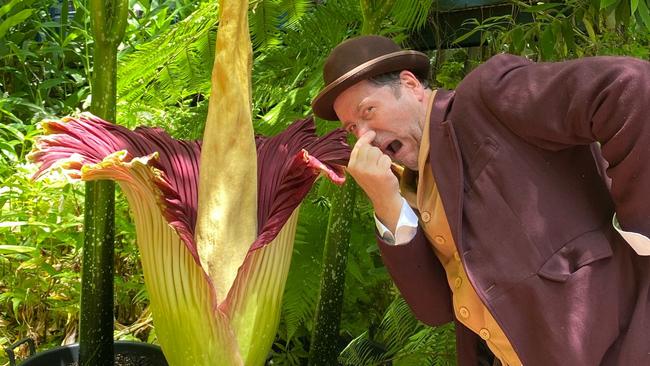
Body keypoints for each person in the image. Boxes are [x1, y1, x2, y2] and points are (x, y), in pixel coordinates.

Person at [311, 35, 650, 366]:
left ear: (411, 84)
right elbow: (435, 309)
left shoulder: (484, 98)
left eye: (368, 111)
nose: (364, 138)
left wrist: (642, 233)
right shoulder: (410, 186)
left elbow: (628, 86)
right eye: (353, 128)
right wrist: (386, 202)